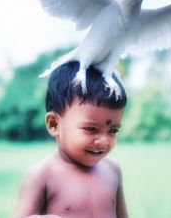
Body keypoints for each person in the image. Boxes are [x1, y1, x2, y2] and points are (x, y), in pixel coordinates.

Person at [11, 61, 129, 218]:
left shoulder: (112, 170)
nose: (103, 141)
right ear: (54, 124)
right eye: (91, 129)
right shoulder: (42, 176)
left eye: (113, 130)